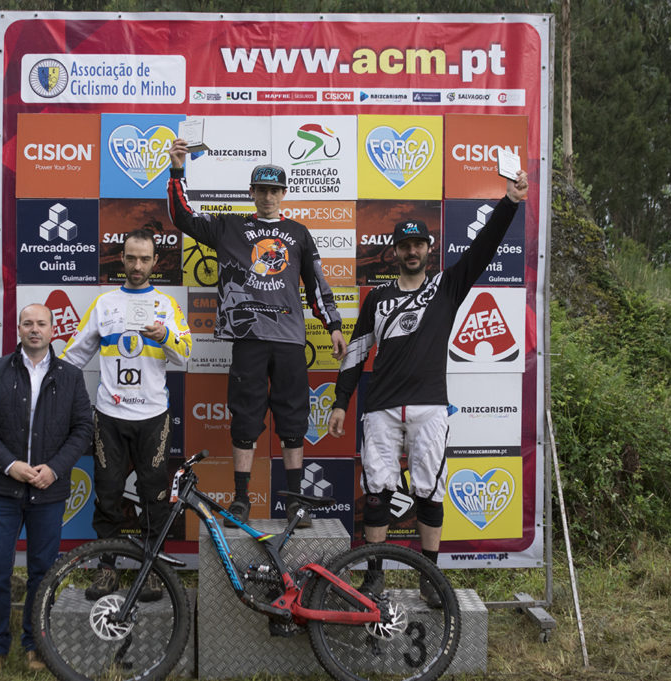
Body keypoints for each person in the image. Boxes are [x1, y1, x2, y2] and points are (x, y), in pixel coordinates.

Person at [328, 170, 530, 605]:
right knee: (377, 495)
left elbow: (483, 247)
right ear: (394, 251)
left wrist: (510, 202)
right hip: (381, 408)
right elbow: (356, 352)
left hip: (430, 407)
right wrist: (341, 401)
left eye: (419, 244)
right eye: (405, 245)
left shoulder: (446, 286)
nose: (412, 251)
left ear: (429, 248)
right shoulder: (376, 298)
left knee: (429, 492)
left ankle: (430, 577)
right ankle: (374, 578)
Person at [167, 139, 347, 527]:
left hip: (289, 340)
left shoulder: (298, 233)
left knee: (293, 422)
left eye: (274, 190)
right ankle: (241, 499)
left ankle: (296, 501)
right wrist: (178, 169)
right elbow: (183, 217)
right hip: (248, 337)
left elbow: (316, 284)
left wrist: (333, 324)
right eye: (261, 190)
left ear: (284, 193)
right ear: (251, 192)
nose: (268, 197)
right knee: (245, 420)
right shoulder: (229, 226)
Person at [59, 228, 191, 600]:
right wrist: (47, 389)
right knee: (108, 493)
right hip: (110, 416)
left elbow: (185, 355)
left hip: (152, 416)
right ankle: (106, 569)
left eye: (144, 259)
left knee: (154, 494)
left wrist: (164, 336)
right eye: (131, 258)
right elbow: (72, 356)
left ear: (155, 261)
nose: (137, 265)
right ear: (121, 258)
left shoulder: (166, 304)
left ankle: (151, 571)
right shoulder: (104, 304)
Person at [0, 304, 94, 676]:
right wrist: (10, 465)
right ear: (19, 329)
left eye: (41, 323)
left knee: (43, 572)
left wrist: (54, 469)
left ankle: (35, 644)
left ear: (53, 330)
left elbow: (83, 429)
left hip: (47, 491)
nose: (34, 329)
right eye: (28, 323)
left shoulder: (71, 376)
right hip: (2, 487)